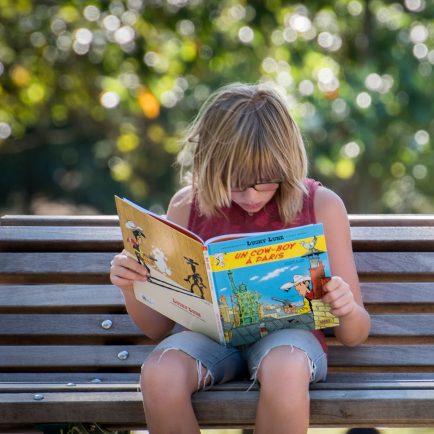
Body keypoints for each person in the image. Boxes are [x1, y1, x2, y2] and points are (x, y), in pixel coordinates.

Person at [109, 82, 371, 434]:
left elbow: (355, 333)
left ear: (287, 164)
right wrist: (131, 286)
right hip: (209, 341)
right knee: (160, 371)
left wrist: (346, 307)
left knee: (286, 367)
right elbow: (158, 328)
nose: (250, 196)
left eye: (264, 182)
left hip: (290, 343)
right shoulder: (188, 206)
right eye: (236, 183)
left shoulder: (320, 205)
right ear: (210, 165)